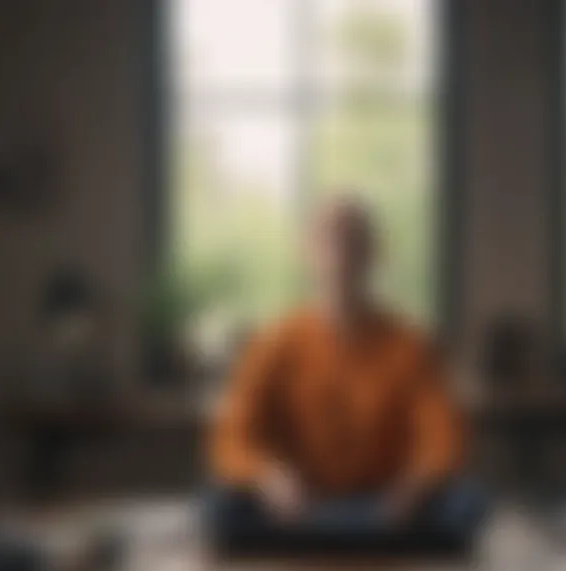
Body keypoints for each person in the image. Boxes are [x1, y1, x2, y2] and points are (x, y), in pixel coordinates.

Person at [206, 197, 487, 549]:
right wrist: (268, 477)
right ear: (306, 252)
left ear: (374, 253)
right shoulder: (273, 341)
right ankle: (357, 541)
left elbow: (444, 439)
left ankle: (329, 541)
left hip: (389, 505)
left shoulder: (410, 343)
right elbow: (231, 440)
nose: (341, 252)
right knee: (218, 505)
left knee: (467, 503)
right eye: (328, 239)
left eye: (354, 240)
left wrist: (415, 485)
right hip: (297, 505)